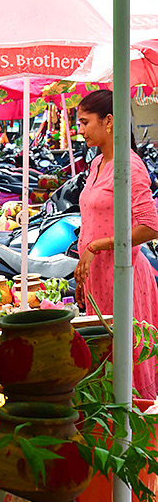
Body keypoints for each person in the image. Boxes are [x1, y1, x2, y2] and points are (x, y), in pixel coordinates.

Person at [75, 89, 158, 400]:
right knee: (104, 360)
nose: (80, 129)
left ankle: (132, 442)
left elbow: (150, 226)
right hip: (98, 280)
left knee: (125, 365)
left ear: (108, 121)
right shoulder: (97, 164)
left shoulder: (130, 165)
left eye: (84, 122)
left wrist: (97, 246)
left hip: (123, 279)